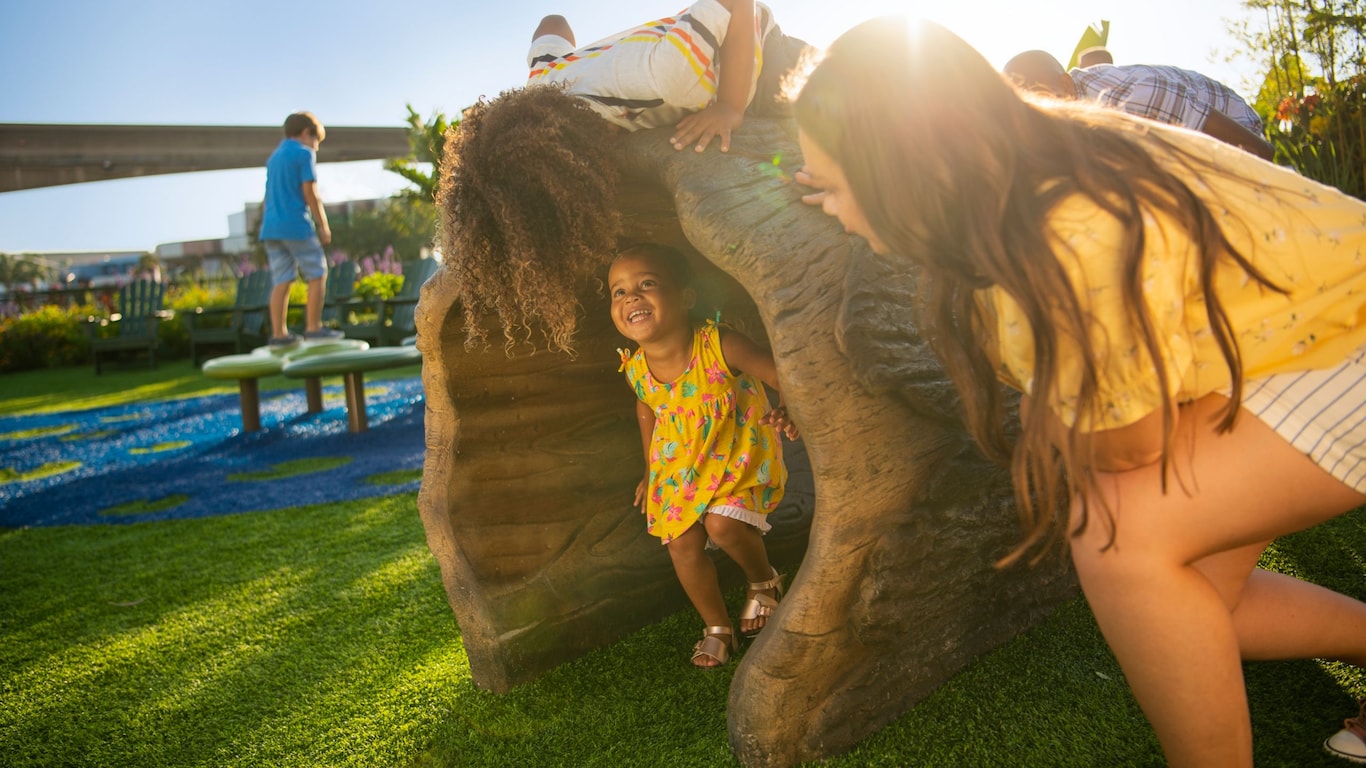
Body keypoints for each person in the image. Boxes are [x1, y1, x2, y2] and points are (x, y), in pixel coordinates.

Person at [792, 16, 1366, 766]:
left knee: (1118, 537)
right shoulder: (1036, 166)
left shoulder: (1066, 226)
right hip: (1294, 343)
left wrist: (1050, 420)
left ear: (901, 170)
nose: (827, 207)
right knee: (1198, 600)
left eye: (833, 186)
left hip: (1342, 341)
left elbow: (1132, 441)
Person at [437, 0, 809, 354]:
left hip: (766, 62)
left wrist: (729, 106)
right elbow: (552, 25)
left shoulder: (668, 76)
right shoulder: (541, 87)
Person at [608, 243, 799, 668]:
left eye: (647, 284)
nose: (631, 298)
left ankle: (764, 583)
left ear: (685, 296)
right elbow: (646, 407)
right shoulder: (636, 367)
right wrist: (650, 469)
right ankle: (716, 626)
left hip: (736, 453)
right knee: (681, 542)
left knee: (722, 524)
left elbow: (782, 375)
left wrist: (788, 409)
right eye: (618, 292)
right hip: (681, 464)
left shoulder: (720, 344)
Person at [1003, 49, 1275, 160]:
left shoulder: (1129, 100)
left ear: (1064, 86)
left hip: (1238, 127)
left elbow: (1258, 151)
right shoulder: (1076, 112)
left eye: (1035, 99)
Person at [258, 111, 343, 348]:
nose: (316, 147)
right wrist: (323, 225)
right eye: (316, 141)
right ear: (306, 133)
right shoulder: (303, 153)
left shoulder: (274, 157)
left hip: (271, 228)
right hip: (295, 224)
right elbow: (310, 193)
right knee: (317, 272)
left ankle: (279, 334)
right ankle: (314, 328)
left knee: (282, 279)